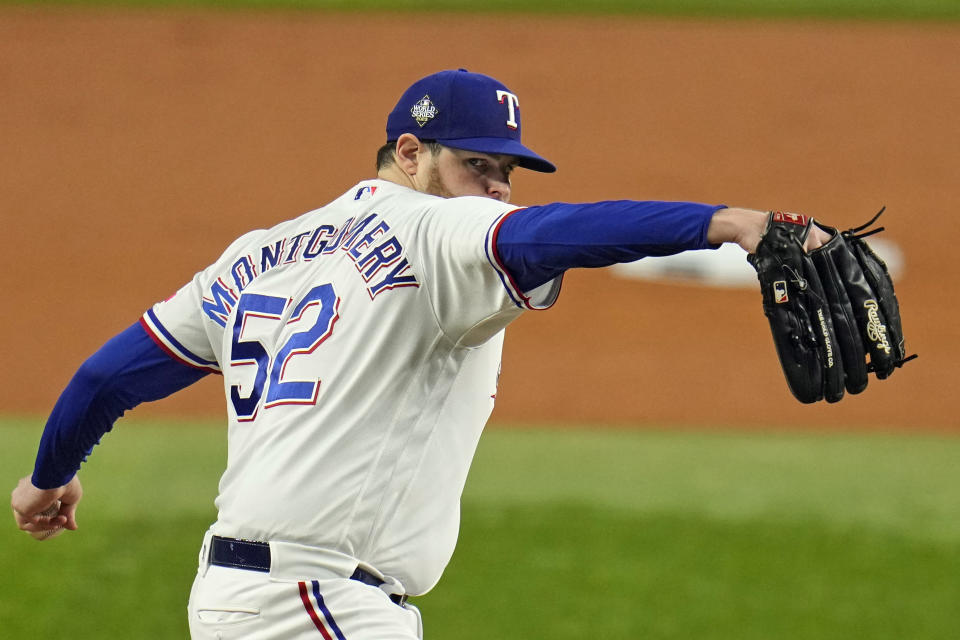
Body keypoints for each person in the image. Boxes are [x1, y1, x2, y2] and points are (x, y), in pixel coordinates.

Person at [11, 68, 830, 639]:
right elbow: (556, 232)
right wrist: (731, 223)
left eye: (507, 171)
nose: (498, 189)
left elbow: (107, 375)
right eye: (478, 166)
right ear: (410, 154)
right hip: (312, 601)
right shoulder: (430, 226)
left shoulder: (262, 250)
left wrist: (49, 477)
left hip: (242, 597)